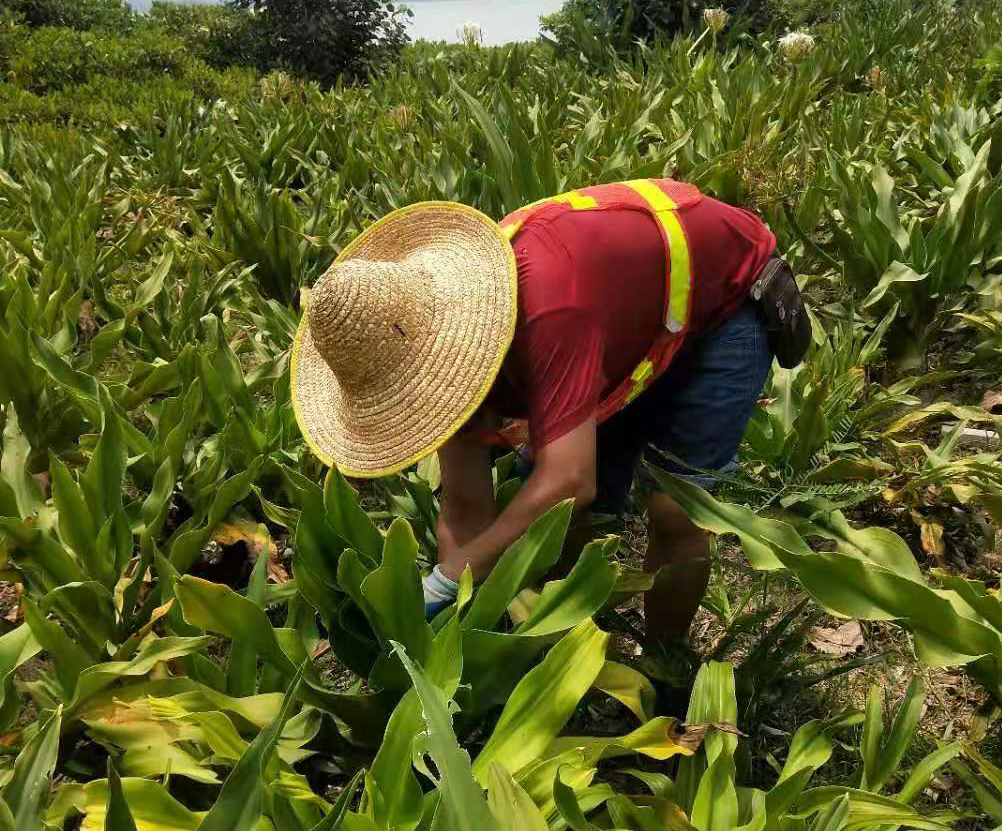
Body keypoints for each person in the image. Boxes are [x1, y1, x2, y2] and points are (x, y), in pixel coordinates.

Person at [291, 179, 808, 639]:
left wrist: (446, 582)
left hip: (724, 305)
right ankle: (565, 640)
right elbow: (466, 508)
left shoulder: (551, 309)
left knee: (675, 511)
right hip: (623, 324)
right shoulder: (438, 342)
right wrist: (456, 605)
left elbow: (568, 482)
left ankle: (665, 666)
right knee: (557, 518)